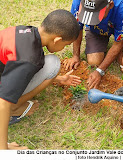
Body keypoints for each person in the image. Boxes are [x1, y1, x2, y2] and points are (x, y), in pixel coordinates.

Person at [0, 9, 81, 150]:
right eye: (65, 45)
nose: (63, 48)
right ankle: (14, 109)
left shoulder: (25, 32)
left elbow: (15, 65)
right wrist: (3, 150)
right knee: (54, 64)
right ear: (57, 39)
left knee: (50, 64)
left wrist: (59, 79)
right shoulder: (29, 59)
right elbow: (3, 103)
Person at [67, 0, 123, 89]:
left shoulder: (122, 6)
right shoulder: (78, 2)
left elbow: (118, 44)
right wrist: (75, 55)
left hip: (117, 25)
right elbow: (77, 28)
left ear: (110, 5)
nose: (94, 17)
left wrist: (100, 71)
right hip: (96, 31)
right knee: (94, 61)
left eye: (96, 14)